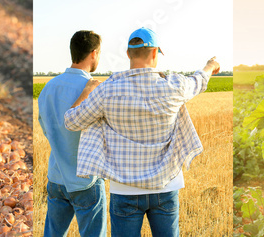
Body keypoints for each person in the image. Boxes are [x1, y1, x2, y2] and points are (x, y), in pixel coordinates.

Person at [64, 27, 220, 237]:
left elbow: (72, 121)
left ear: (128, 53)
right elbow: (199, 80)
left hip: (124, 190)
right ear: (155, 53)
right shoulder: (175, 86)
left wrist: (86, 92)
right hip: (166, 186)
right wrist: (210, 65)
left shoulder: (107, 90)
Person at [38, 30, 107, 236]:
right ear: (94, 53)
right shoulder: (95, 89)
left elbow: (47, 130)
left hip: (56, 177)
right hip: (85, 180)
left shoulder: (48, 88)